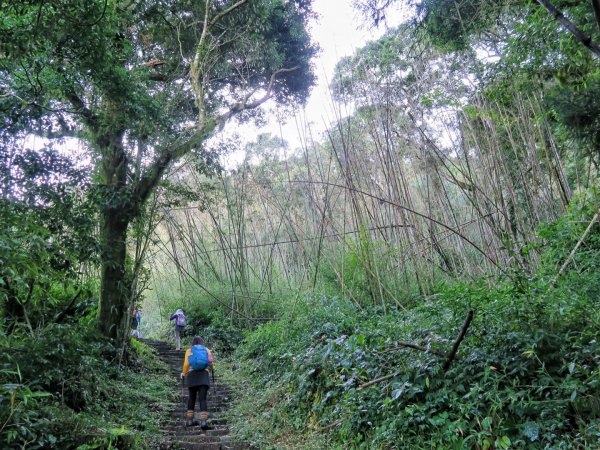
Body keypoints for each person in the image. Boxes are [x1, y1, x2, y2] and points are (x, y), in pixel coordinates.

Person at [181, 336, 214, 429]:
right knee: (202, 399)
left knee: (191, 398)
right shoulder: (206, 349)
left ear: (193, 342)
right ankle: (203, 422)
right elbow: (211, 362)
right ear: (201, 342)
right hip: (203, 375)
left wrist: (183, 373)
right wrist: (212, 369)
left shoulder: (189, 350)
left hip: (192, 376)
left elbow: (186, 364)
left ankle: (189, 420)